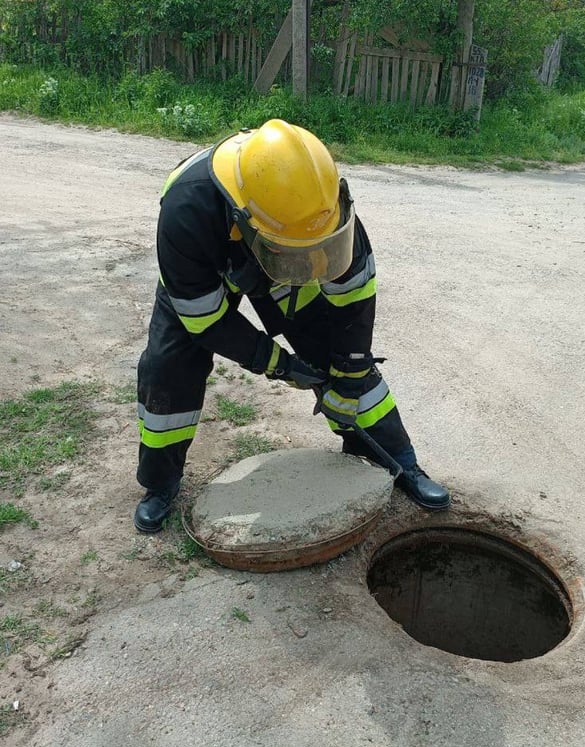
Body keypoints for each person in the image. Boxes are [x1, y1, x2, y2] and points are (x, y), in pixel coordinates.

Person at [134, 119, 450, 533]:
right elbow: (206, 320)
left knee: (339, 359)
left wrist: (350, 369)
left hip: (285, 261)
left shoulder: (320, 209)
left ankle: (397, 463)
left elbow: (355, 297)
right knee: (168, 368)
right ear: (244, 219)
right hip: (207, 270)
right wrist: (277, 363)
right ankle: (160, 485)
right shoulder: (184, 211)